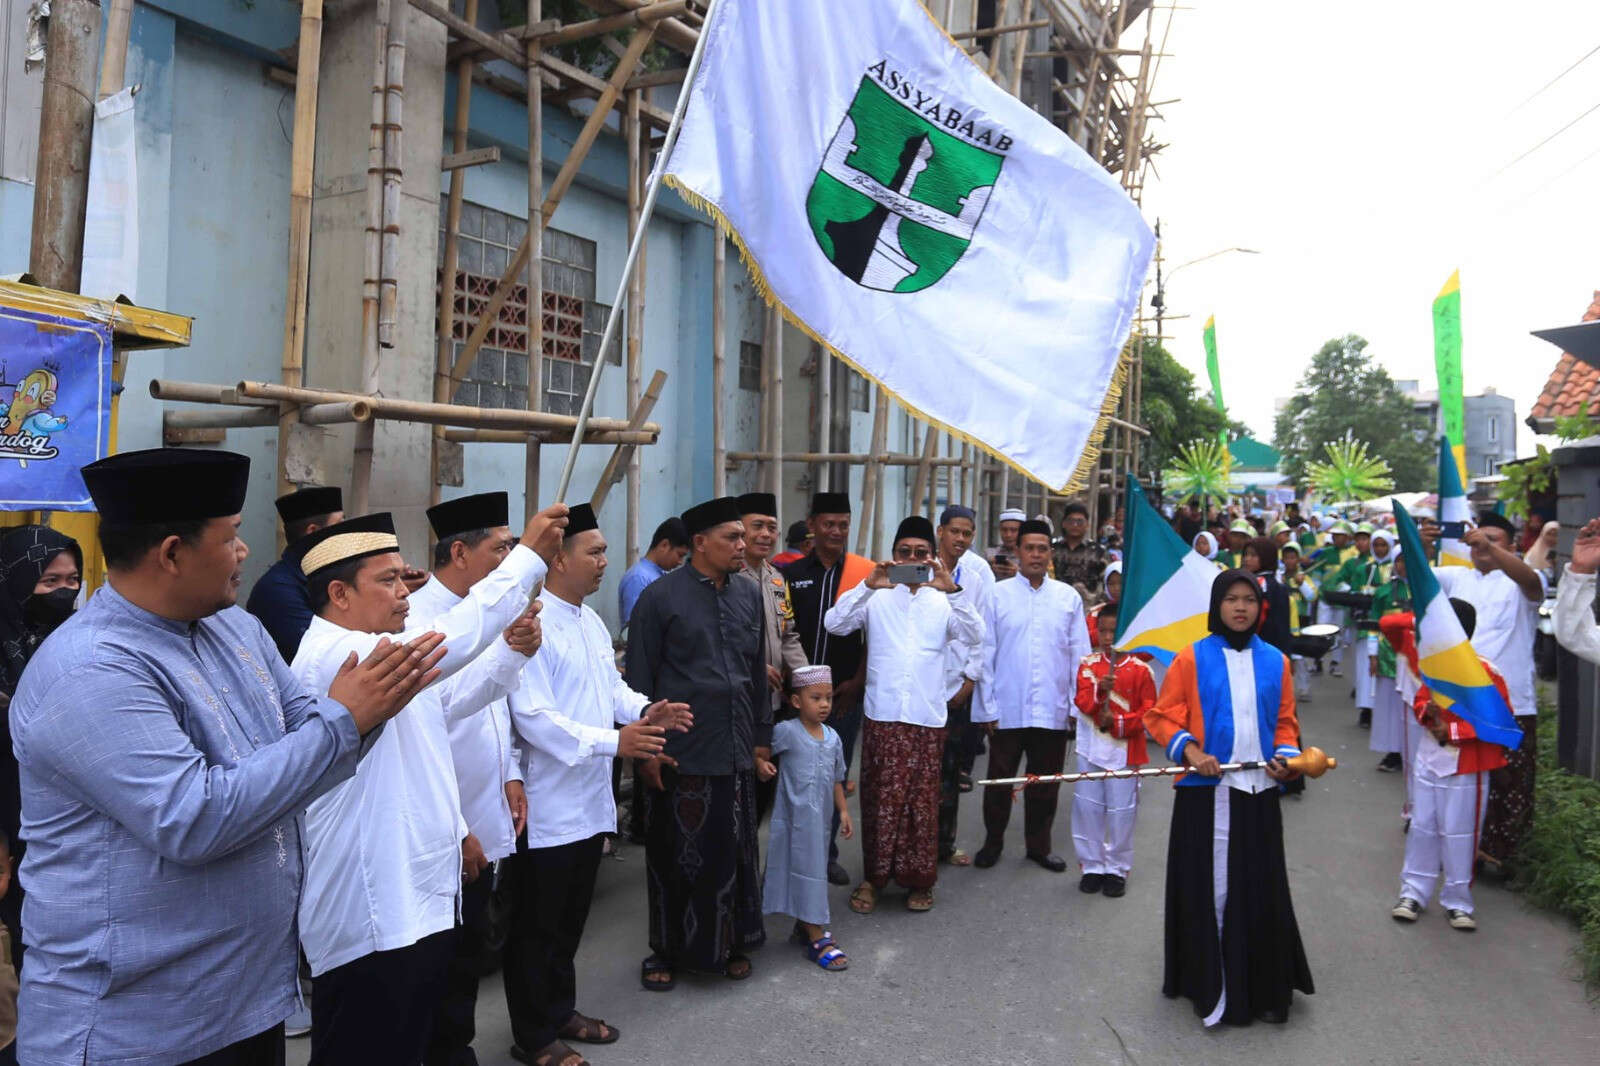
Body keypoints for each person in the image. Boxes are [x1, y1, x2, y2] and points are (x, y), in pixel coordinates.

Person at [9, 448, 445, 1065]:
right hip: (137, 1029)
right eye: (231, 537)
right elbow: (192, 817)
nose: (244, 553)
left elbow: (305, 729)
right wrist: (349, 717)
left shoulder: (234, 629)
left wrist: (362, 711)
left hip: (246, 1003)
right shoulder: (91, 668)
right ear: (172, 553)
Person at [292, 506, 563, 1064]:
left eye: (402, 576)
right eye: (387, 580)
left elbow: (448, 705)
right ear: (339, 594)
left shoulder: (382, 654)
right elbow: (453, 638)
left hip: (410, 895)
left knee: (408, 1042)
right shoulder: (339, 654)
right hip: (371, 907)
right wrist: (529, 558)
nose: (404, 591)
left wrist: (510, 653)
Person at [504, 503, 690, 1063]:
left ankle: (560, 1011)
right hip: (547, 804)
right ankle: (533, 1037)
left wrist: (646, 709)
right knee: (536, 927)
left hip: (588, 799)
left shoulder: (588, 619)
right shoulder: (531, 622)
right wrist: (618, 742)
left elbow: (611, 688)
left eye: (605, 550)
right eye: (596, 551)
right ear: (558, 558)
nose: (607, 561)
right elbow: (533, 719)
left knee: (569, 922)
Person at [1143, 569, 1314, 1027]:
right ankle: (1214, 986)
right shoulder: (1191, 658)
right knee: (1214, 890)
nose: (1241, 608)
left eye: (1249, 600)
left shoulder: (1276, 660)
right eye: (1232, 600)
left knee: (1260, 887)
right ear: (1217, 606)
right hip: (1209, 794)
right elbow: (1160, 717)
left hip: (1258, 793)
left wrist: (1285, 758)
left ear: (1261, 608)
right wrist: (1193, 751)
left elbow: (1285, 722)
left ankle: (1261, 986)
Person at [411, 491, 538, 1066]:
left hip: (484, 811)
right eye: (501, 548)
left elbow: (495, 707)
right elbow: (434, 729)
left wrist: (511, 772)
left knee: (468, 953)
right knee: (435, 959)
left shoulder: (493, 612)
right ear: (459, 552)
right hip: (444, 822)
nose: (507, 559)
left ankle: (454, 1049)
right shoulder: (416, 619)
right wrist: (458, 825)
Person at [627, 496, 769, 987]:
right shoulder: (659, 598)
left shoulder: (750, 594)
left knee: (733, 853)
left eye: (743, 537)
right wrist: (646, 750)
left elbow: (755, 671)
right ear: (700, 544)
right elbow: (640, 681)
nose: (742, 545)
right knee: (674, 857)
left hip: (735, 748)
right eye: (732, 537)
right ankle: (666, 950)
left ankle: (728, 943)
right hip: (679, 751)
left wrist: (761, 738)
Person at [827, 516, 982, 914]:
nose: (912, 559)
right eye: (904, 552)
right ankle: (874, 879)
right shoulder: (877, 595)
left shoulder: (944, 599)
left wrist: (954, 591)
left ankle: (920, 881)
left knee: (921, 804)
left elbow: (975, 635)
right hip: (883, 715)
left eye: (920, 553)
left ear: (932, 557)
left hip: (927, 717)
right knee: (880, 801)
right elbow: (835, 624)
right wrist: (867, 585)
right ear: (893, 556)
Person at [1422, 512, 1544, 876]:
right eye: (1478, 538)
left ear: (1511, 546)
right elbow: (1415, 578)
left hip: (1513, 700)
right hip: (1464, 697)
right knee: (1462, 778)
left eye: (1493, 539)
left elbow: (1532, 582)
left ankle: (1502, 856)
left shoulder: (1522, 580)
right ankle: (1458, 850)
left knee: (1511, 781)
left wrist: (1489, 546)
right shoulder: (1456, 576)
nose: (1481, 545)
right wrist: (1423, 544)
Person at [0, 524, 81, 1051]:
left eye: (73, 579)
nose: (65, 592)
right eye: (49, 580)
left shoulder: (76, 647)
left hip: (57, 832)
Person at [974, 519, 1088, 873]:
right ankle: (992, 843)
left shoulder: (1067, 598)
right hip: (1007, 707)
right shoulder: (997, 594)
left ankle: (1039, 847)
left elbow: (1079, 655)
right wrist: (987, 706)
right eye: (1029, 548)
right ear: (1017, 551)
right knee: (999, 781)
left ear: (1050, 553)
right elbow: (985, 652)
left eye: (1042, 548)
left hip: (1052, 709)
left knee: (1046, 784)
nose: (1036, 555)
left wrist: (1074, 705)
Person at [1390, 599, 1509, 931]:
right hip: (1430, 760)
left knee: (1460, 834)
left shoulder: (1486, 673)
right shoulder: (1432, 669)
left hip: (1467, 765)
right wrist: (1426, 714)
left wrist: (1453, 730)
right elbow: (1419, 701)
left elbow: (1499, 724)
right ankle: (1412, 893)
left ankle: (1458, 901)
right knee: (1422, 828)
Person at [781, 491, 873, 884]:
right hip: (796, 696)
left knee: (834, 776)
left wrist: (857, 682)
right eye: (829, 524)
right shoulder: (790, 574)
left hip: (844, 694)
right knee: (795, 780)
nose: (836, 531)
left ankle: (826, 854)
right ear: (813, 525)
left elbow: (874, 636)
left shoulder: (865, 576)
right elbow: (783, 632)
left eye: (843, 525)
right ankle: (789, 859)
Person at [762, 664, 852, 972]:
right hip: (792, 821)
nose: (824, 704)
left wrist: (843, 810)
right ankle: (814, 930)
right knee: (798, 867)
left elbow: (838, 778)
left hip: (820, 823)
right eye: (816, 697)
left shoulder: (834, 738)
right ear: (797, 701)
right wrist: (760, 765)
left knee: (813, 868)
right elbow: (760, 752)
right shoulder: (787, 732)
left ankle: (808, 924)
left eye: (827, 697)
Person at [1071, 602, 1156, 897]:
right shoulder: (1087, 664)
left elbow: (1149, 712)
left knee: (1122, 813)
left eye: (1115, 632)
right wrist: (1100, 693)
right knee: (1088, 808)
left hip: (1124, 751)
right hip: (1091, 747)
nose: (1109, 638)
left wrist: (1119, 721)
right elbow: (1081, 700)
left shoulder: (1141, 670)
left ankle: (1117, 868)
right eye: (1104, 631)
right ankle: (1092, 865)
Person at [934, 505, 994, 847]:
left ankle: (944, 844)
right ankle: (918, 847)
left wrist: (971, 679)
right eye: (954, 531)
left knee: (951, 771)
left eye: (967, 533)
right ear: (940, 531)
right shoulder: (921, 567)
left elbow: (982, 630)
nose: (960, 538)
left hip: (957, 686)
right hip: (924, 686)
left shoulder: (976, 573)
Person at [246, 485, 344, 663]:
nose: (345, 533)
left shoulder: (325, 574)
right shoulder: (276, 590)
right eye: (339, 525)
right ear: (314, 532)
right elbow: (322, 656)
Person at [1368, 549, 1411, 775]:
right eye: (1399, 560)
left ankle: (1410, 751)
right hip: (1388, 655)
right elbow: (1374, 627)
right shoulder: (1384, 592)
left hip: (1415, 655)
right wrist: (1373, 654)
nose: (1403, 565)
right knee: (1389, 706)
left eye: (1407, 560)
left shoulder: (1424, 588)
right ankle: (1393, 751)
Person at [618, 517, 689, 627]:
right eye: (680, 555)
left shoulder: (660, 575)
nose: (680, 562)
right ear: (664, 545)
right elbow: (635, 627)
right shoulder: (638, 578)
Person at [1243, 537, 1292, 656]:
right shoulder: (1247, 580)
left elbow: (1281, 627)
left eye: (1253, 555)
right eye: (1246, 554)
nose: (1247, 559)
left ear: (1266, 557)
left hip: (1265, 647)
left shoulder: (1269, 586)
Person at [1053, 501, 1107, 605]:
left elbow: (1106, 581)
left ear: (1087, 525)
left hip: (1087, 607)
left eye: (1080, 521)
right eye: (1071, 521)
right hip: (1056, 603)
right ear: (1063, 524)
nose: (1075, 525)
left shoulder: (1098, 551)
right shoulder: (1053, 549)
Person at [988, 507, 1026, 580]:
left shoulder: (1031, 556)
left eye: (1013, 530)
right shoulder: (990, 554)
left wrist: (1018, 574)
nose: (1008, 535)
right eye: (1004, 530)